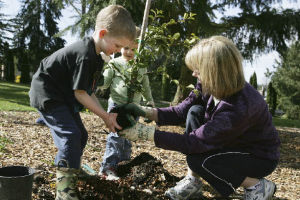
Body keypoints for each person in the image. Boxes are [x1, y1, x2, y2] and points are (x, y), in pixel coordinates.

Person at [112, 36, 280, 200]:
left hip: (256, 156)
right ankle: (193, 180)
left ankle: (256, 185)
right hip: (230, 142)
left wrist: (143, 133)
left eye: (198, 68)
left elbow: (193, 143)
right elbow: (181, 111)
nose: (193, 73)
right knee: (195, 111)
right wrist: (143, 111)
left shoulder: (240, 106)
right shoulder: (208, 84)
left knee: (199, 159)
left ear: (213, 71)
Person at [29, 5, 136, 200]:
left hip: (62, 96)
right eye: (118, 46)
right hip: (48, 95)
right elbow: (80, 94)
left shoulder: (96, 57)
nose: (119, 51)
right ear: (103, 33)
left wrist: (106, 116)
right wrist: (105, 116)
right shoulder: (85, 55)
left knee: (82, 136)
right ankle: (64, 191)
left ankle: (71, 169)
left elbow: (88, 92)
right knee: (70, 136)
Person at [99, 26, 155, 179]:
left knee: (129, 136)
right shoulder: (114, 64)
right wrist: (99, 74)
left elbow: (145, 87)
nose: (129, 52)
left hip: (134, 108)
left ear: (139, 49)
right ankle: (108, 167)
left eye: (133, 49)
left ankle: (123, 165)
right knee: (115, 137)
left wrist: (149, 102)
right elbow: (104, 83)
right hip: (117, 105)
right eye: (126, 48)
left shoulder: (141, 67)